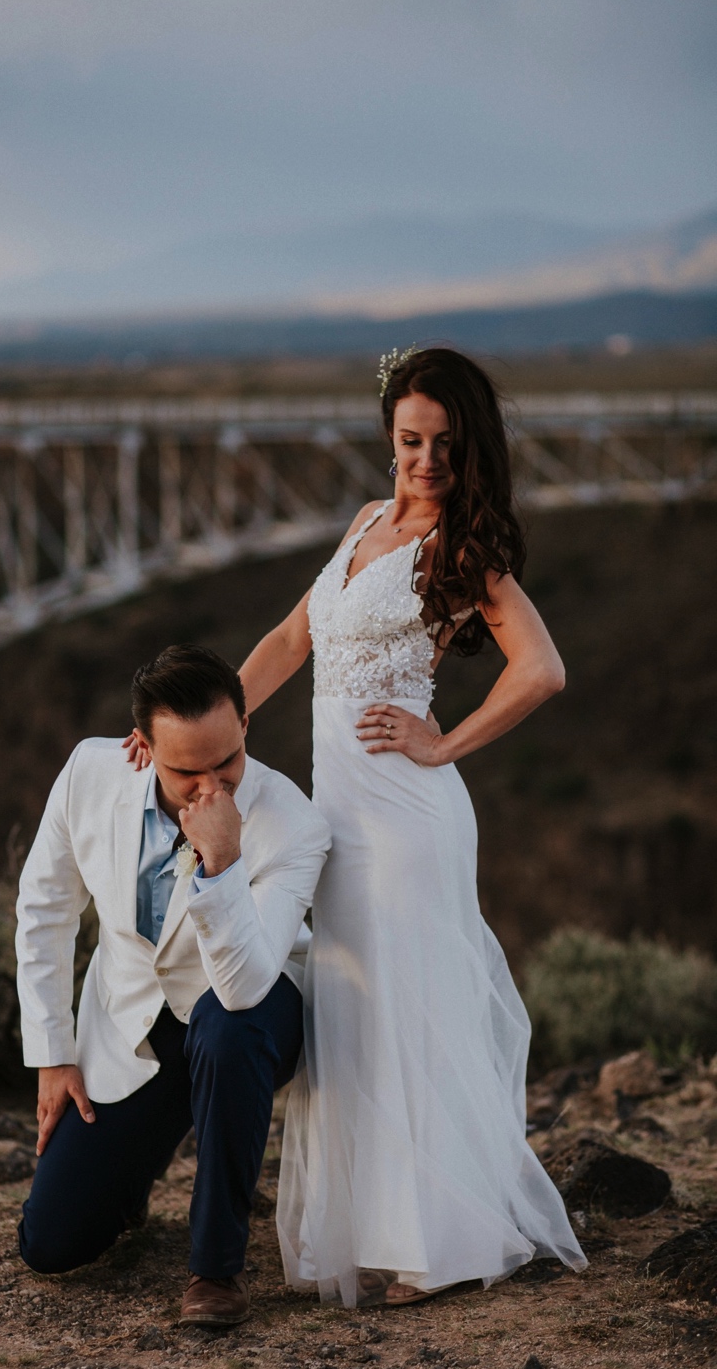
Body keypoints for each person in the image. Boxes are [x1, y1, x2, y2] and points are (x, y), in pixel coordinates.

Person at [238, 346, 587, 1308]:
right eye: (409, 440)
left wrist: (444, 745)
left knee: (407, 1013)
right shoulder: (364, 523)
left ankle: (436, 1244)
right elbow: (286, 642)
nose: (424, 460)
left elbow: (543, 670)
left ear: (466, 446)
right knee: (353, 1010)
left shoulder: (460, 549)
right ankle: (380, 1229)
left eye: (442, 443)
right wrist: (199, 724)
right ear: (389, 438)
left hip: (407, 815)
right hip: (335, 817)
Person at [15, 644, 331, 1325]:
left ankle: (215, 1272)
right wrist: (53, 1053)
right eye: (187, 771)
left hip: (257, 1013)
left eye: (228, 762)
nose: (211, 787)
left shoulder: (295, 824)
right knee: (50, 1244)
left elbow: (246, 985)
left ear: (246, 724)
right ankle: (133, 1170)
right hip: (133, 1026)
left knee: (227, 1024)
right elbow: (44, 910)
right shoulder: (88, 774)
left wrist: (221, 861)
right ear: (140, 746)